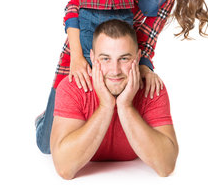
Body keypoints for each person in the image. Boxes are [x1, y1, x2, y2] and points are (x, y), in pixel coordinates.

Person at [35, 0, 208, 154]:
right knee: (48, 147)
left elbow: (149, 39)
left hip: (119, 64)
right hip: (82, 50)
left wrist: (146, 68)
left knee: (104, 133)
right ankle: (46, 116)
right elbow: (75, 5)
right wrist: (76, 56)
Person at [50, 19, 179, 179]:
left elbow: (166, 166)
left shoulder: (152, 88)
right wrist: (105, 106)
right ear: (92, 57)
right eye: (105, 59)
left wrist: (126, 106)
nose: (115, 70)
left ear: (138, 57)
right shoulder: (73, 87)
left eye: (124, 59)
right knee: (45, 141)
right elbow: (64, 168)